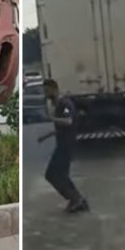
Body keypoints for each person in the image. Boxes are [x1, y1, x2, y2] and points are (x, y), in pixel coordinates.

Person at [39, 79, 89, 213]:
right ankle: (77, 199)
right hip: (63, 143)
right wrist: (46, 135)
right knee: (60, 174)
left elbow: (68, 121)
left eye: (46, 90)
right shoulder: (59, 104)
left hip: (66, 145)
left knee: (53, 174)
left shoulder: (64, 103)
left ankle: (76, 199)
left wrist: (51, 119)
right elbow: (62, 127)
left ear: (54, 89)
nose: (45, 93)